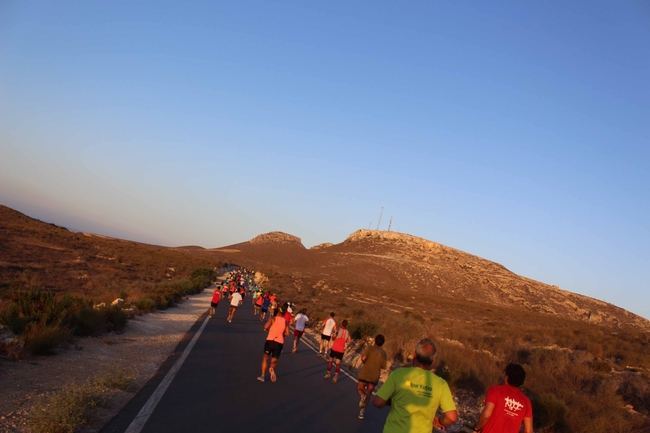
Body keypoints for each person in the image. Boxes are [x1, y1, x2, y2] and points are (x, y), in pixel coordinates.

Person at [373, 338, 457, 433]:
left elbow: (378, 402)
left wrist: (393, 400)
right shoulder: (441, 384)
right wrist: (439, 421)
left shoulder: (399, 374)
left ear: (415, 355)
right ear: (432, 361)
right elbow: (452, 417)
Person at [472, 363, 533, 433]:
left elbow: (486, 415)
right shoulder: (526, 402)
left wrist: (476, 428)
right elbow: (529, 431)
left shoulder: (495, 391)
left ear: (506, 377)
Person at [357, 334, 388, 419]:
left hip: (365, 373)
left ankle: (362, 396)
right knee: (369, 393)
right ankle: (362, 413)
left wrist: (364, 361)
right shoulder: (383, 353)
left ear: (375, 340)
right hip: (374, 376)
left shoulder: (369, 348)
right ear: (383, 343)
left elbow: (363, 358)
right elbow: (383, 366)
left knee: (360, 388)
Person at [257, 308, 289, 383]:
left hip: (270, 340)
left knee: (265, 358)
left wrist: (269, 330)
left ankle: (262, 376)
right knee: (274, 359)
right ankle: (271, 368)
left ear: (277, 312)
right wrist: (281, 333)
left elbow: (265, 327)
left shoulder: (273, 318)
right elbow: (287, 333)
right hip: (279, 342)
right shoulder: (285, 321)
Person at [324, 319, 351, 383]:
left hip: (335, 348)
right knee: (338, 364)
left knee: (330, 361)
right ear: (347, 325)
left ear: (341, 324)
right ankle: (336, 377)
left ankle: (328, 373)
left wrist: (333, 336)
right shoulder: (347, 332)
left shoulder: (338, 330)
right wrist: (345, 346)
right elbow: (349, 340)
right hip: (341, 350)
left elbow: (333, 338)